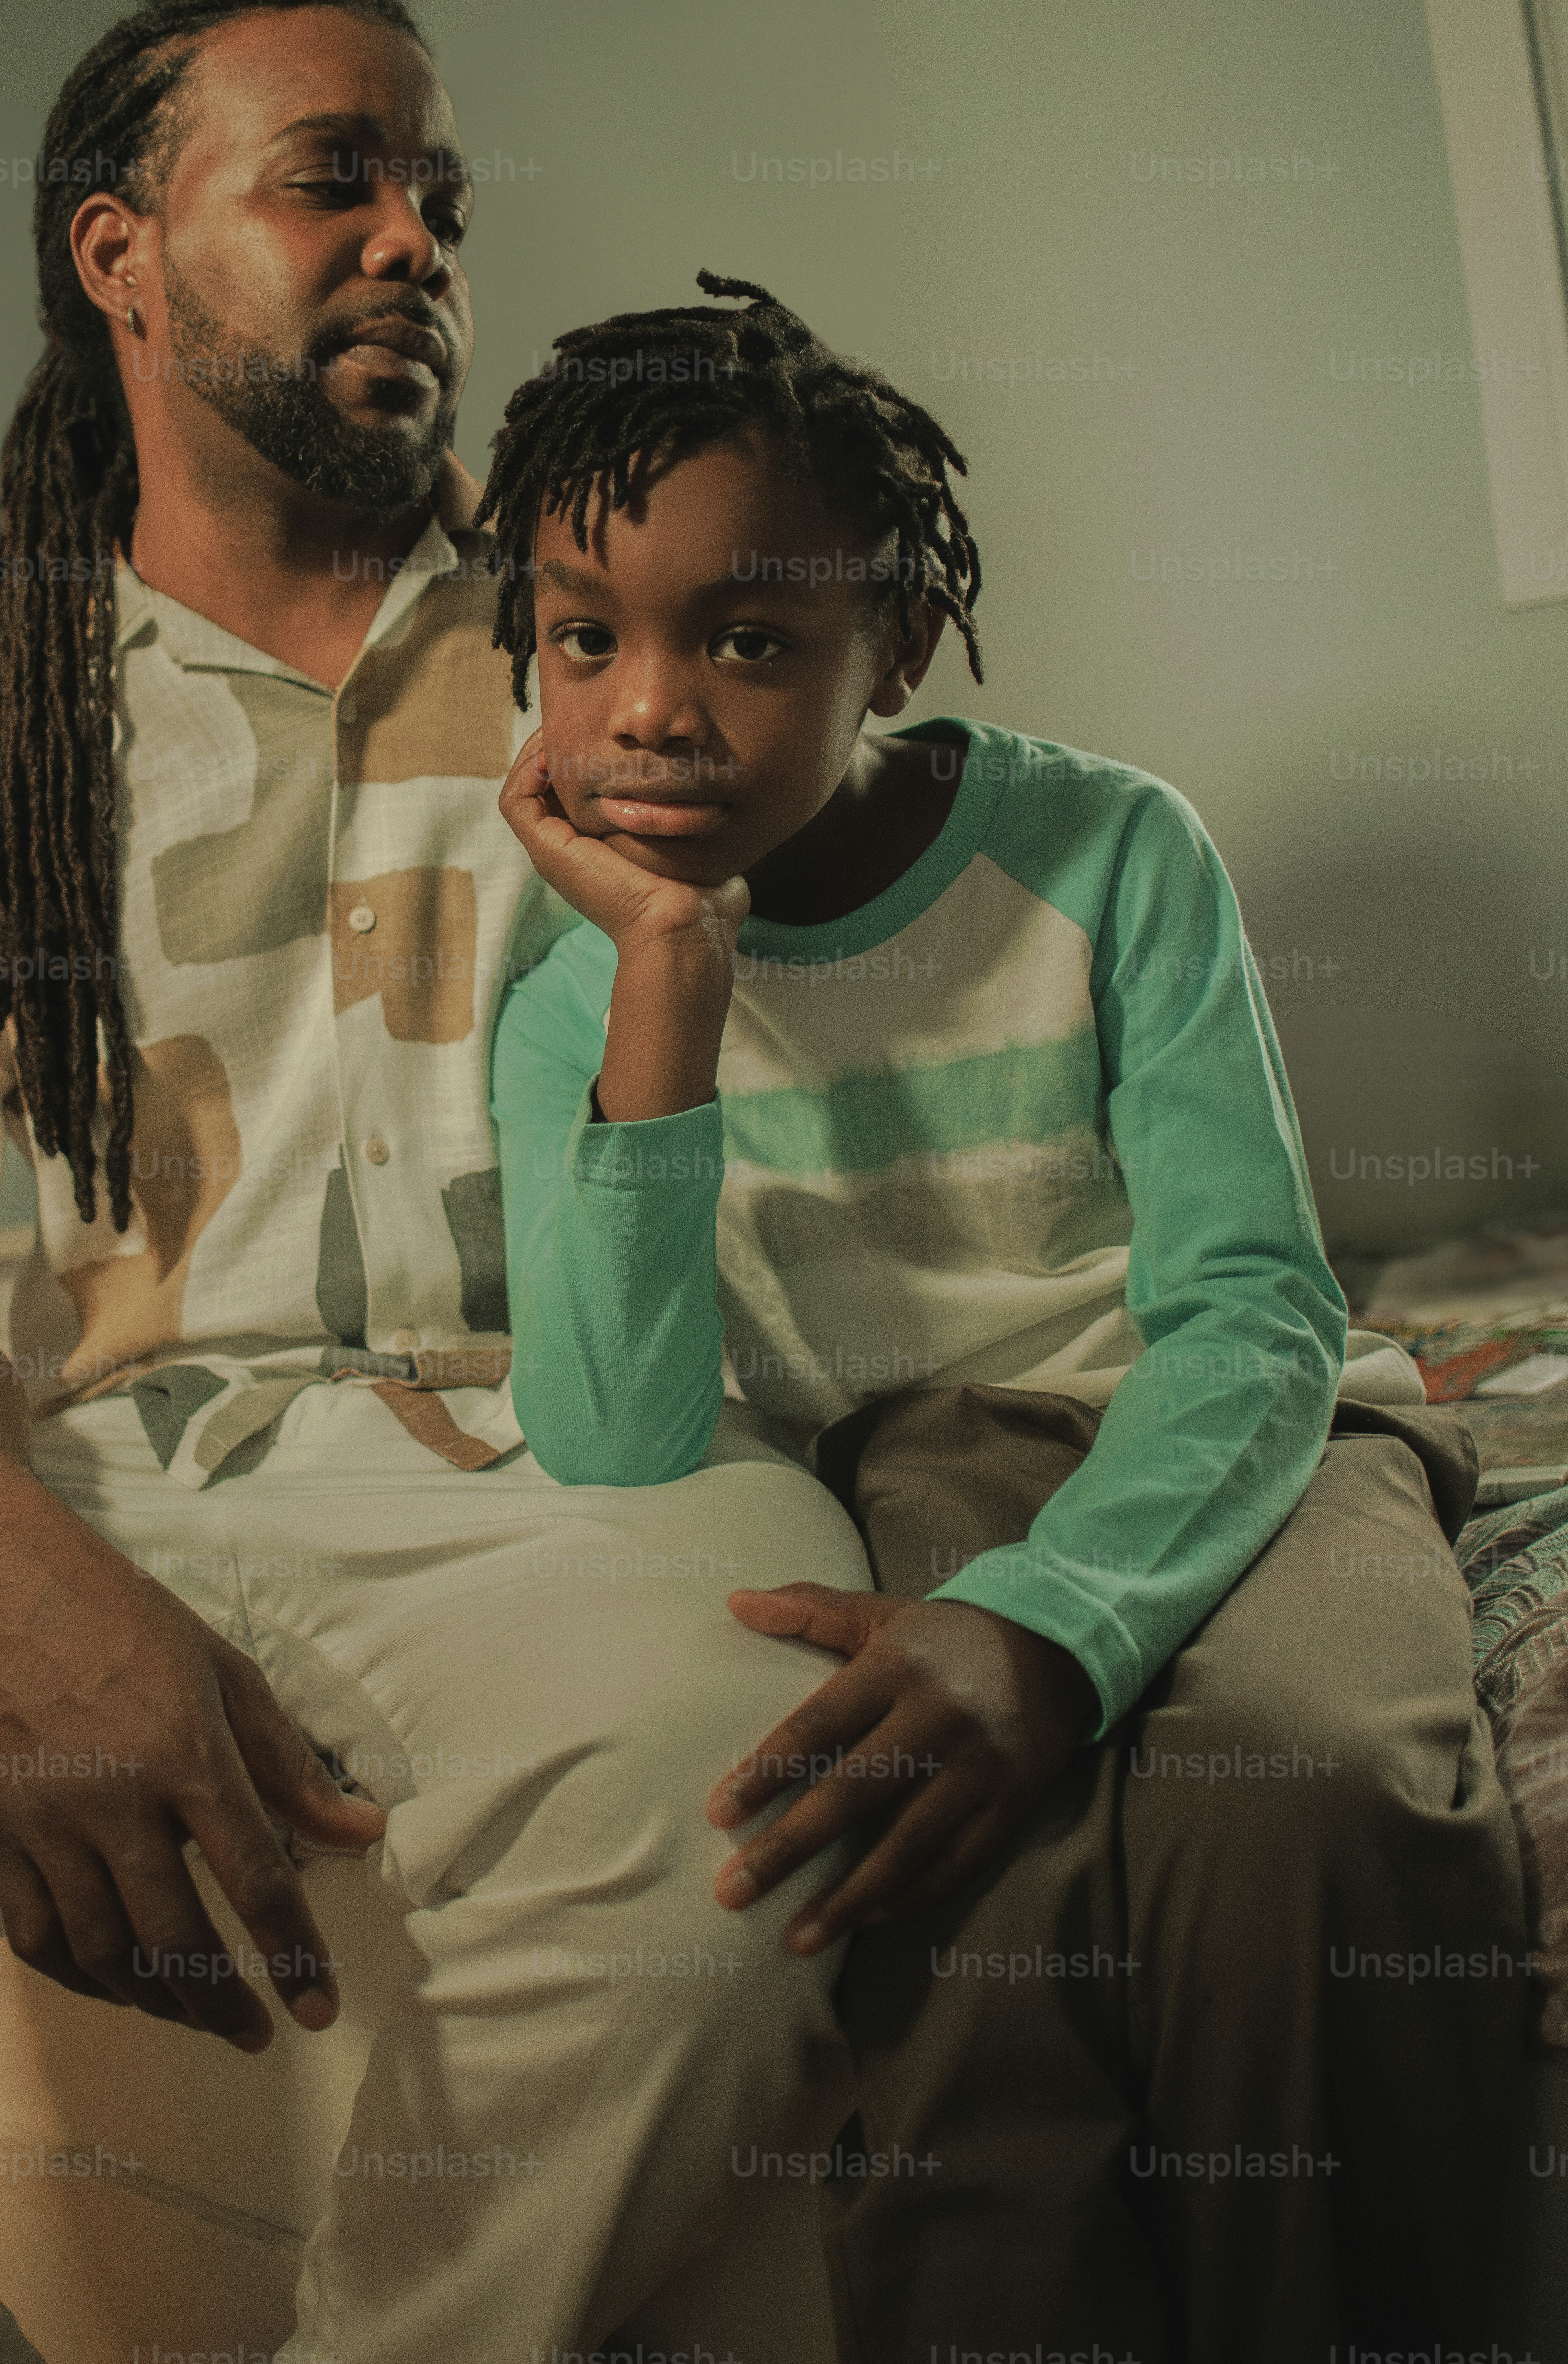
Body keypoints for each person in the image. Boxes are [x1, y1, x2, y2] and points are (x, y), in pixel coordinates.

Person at [0, 0, 874, 2364]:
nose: (417, 236)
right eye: (338, 177)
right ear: (121, 252)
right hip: (133, 1477)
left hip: (592, 1481)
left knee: (732, 1842)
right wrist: (26, 1596)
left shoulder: (618, 640)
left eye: (444, 198)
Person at [485, 272, 1535, 2364]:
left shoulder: (1108, 849)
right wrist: (669, 995)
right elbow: (611, 1439)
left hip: (1231, 1429)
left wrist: (1060, 1621)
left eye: (752, 638)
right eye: (586, 635)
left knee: (1306, 1791)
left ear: (903, 645)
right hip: (903, 1467)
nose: (651, 709)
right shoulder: (577, 996)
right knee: (950, 1871)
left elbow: (1254, 1305)